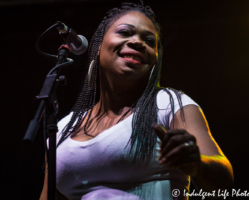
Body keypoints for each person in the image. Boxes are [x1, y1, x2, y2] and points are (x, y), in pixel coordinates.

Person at [40, 1, 234, 200]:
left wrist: (197, 165)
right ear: (98, 46)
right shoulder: (62, 129)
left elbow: (224, 183)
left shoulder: (171, 104)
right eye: (124, 32)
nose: (138, 42)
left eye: (150, 41)